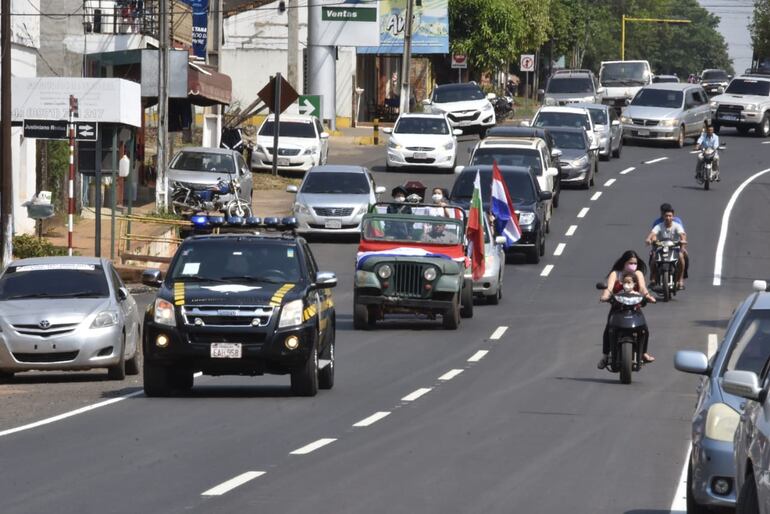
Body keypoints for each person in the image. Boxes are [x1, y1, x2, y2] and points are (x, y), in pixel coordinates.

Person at [598, 250, 656, 369]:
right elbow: (609, 288)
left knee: (644, 329)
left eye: (635, 263)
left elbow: (643, 288)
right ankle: (605, 356)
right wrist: (605, 296)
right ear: (624, 263)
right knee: (609, 329)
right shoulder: (616, 273)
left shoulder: (638, 273)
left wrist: (648, 296)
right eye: (630, 263)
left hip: (635, 308)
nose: (633, 266)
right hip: (617, 308)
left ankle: (643, 353)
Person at [645, 206, 688, 289]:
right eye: (666, 216)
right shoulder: (659, 225)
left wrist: (682, 242)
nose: (668, 218)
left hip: (674, 247)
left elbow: (682, 235)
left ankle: (680, 280)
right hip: (661, 247)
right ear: (663, 216)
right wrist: (648, 239)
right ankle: (653, 278)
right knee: (653, 257)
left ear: (673, 216)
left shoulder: (677, 225)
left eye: (670, 216)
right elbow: (653, 233)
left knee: (681, 257)